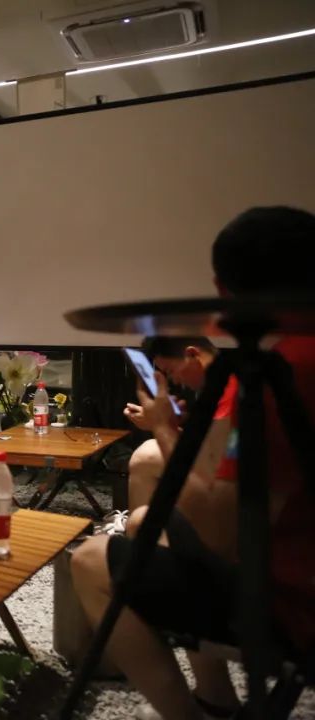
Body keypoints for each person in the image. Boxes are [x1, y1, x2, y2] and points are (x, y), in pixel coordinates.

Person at [72, 206, 315, 720]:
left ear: (223, 291)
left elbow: (218, 535)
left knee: (91, 561)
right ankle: (216, 696)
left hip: (290, 602)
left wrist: (164, 427)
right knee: (142, 521)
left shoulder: (285, 373)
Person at [120, 337, 238, 546]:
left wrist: (161, 425)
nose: (174, 381)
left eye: (171, 371)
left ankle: (146, 544)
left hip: (232, 484)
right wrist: (174, 421)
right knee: (146, 456)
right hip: (224, 462)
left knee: (144, 457)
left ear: (192, 354)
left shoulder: (232, 389)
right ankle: (145, 535)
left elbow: (216, 457)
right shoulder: (221, 381)